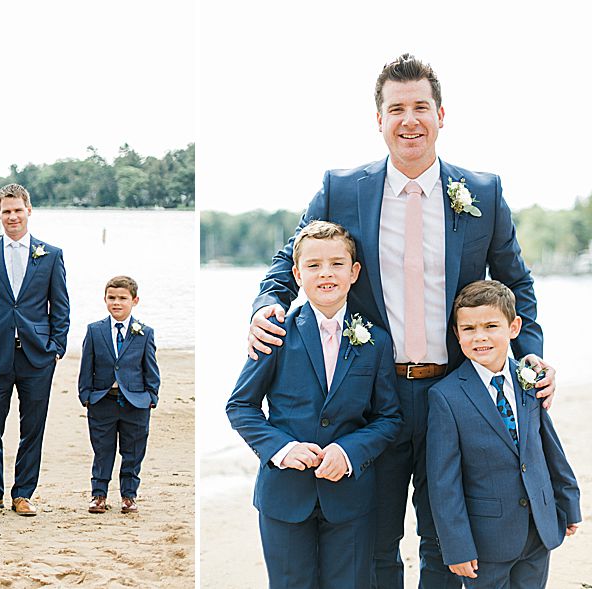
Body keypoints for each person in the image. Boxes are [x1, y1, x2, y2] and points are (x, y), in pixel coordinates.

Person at [246, 54, 556, 587]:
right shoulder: (340, 188)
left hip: (457, 395)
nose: (409, 120)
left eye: (420, 107)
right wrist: (264, 307)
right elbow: (288, 258)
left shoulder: (484, 192)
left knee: (447, 539)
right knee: (374, 541)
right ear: (379, 120)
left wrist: (527, 356)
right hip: (373, 399)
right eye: (396, 109)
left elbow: (516, 286)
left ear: (441, 115)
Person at [229, 221, 402, 589]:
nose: (326, 273)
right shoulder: (275, 333)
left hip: (351, 500)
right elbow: (240, 406)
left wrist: (349, 451)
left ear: (354, 272)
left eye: (337, 264)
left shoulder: (377, 341)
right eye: (313, 265)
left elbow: (388, 417)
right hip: (284, 497)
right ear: (296, 273)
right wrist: (282, 448)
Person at [427, 280, 580, 587]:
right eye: (468, 329)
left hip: (539, 528)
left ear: (514, 327)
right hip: (487, 542)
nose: (480, 336)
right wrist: (457, 546)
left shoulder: (529, 381)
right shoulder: (446, 396)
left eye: (491, 326)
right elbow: (445, 482)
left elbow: (548, 448)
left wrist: (569, 501)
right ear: (457, 334)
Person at [0, 183, 69, 517]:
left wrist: (56, 348)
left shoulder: (50, 255)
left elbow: (61, 306)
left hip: (37, 356)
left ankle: (23, 493)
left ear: (29, 211)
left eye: (17, 210)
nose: (12, 216)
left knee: (32, 427)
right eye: (6, 211)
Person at [77, 275, 160, 515]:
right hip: (102, 400)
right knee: (102, 450)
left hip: (136, 402)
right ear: (104, 300)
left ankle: (129, 496)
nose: (117, 303)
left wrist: (151, 397)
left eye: (122, 298)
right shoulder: (95, 331)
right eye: (112, 298)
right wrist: (86, 396)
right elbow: (87, 366)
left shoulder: (145, 332)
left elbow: (150, 368)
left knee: (133, 451)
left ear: (134, 300)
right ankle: (99, 495)